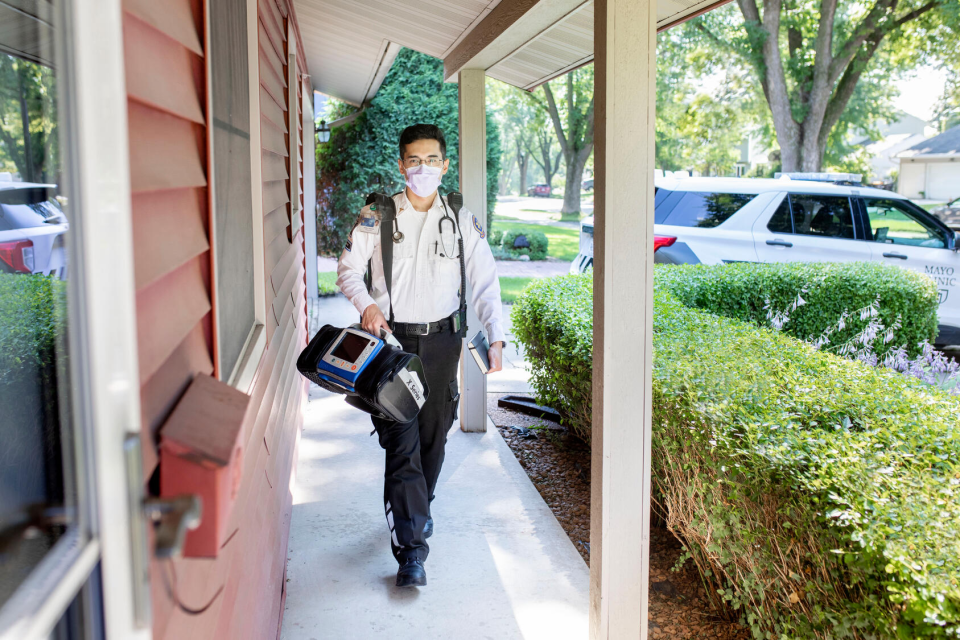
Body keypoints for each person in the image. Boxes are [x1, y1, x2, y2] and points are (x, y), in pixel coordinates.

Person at [336, 123, 505, 588]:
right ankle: (411, 550)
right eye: (414, 160)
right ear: (401, 165)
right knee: (401, 442)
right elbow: (348, 268)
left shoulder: (460, 218)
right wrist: (367, 305)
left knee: (433, 437)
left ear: (444, 165)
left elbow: (486, 281)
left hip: (443, 343)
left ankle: (416, 508)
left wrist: (496, 335)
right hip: (392, 347)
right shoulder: (378, 216)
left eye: (432, 160)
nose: (423, 168)